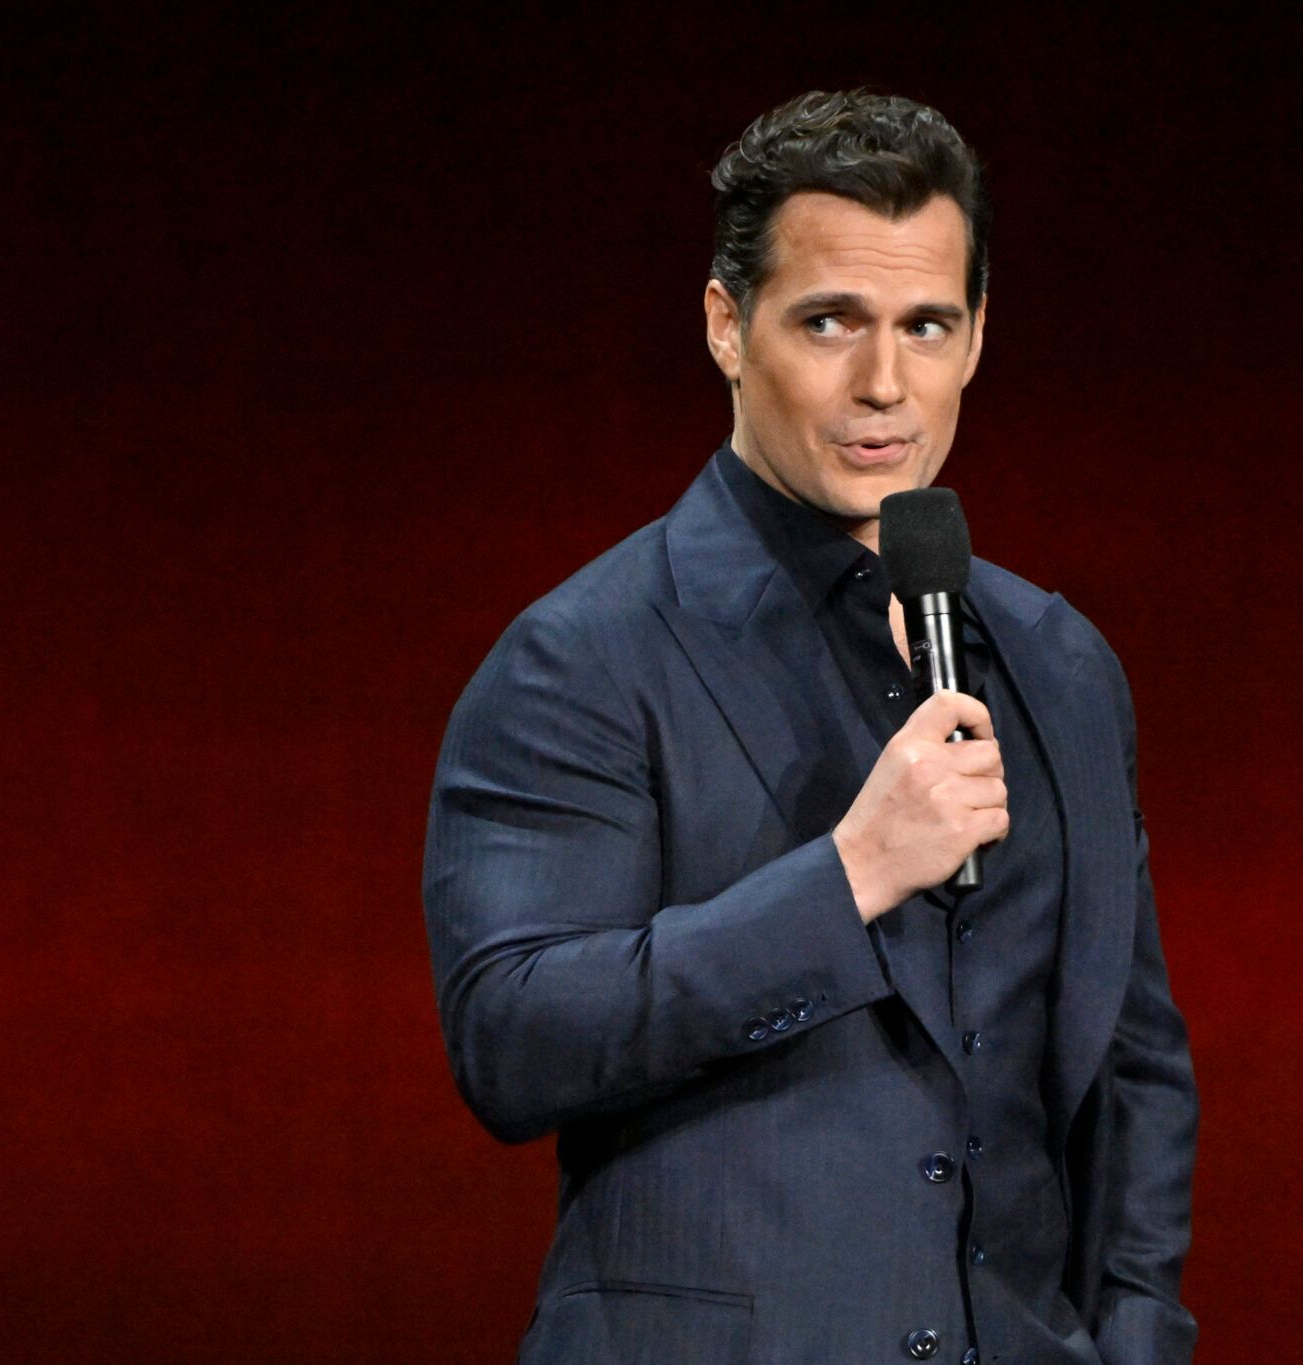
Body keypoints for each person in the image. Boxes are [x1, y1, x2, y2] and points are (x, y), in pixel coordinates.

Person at [423, 89, 1198, 1365]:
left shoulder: (1056, 662)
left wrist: (1133, 1337)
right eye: (829, 322)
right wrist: (846, 880)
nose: (882, 385)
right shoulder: (583, 655)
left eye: (924, 326)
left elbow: (1132, 1065)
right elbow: (513, 1040)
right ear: (726, 327)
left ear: (976, 336)